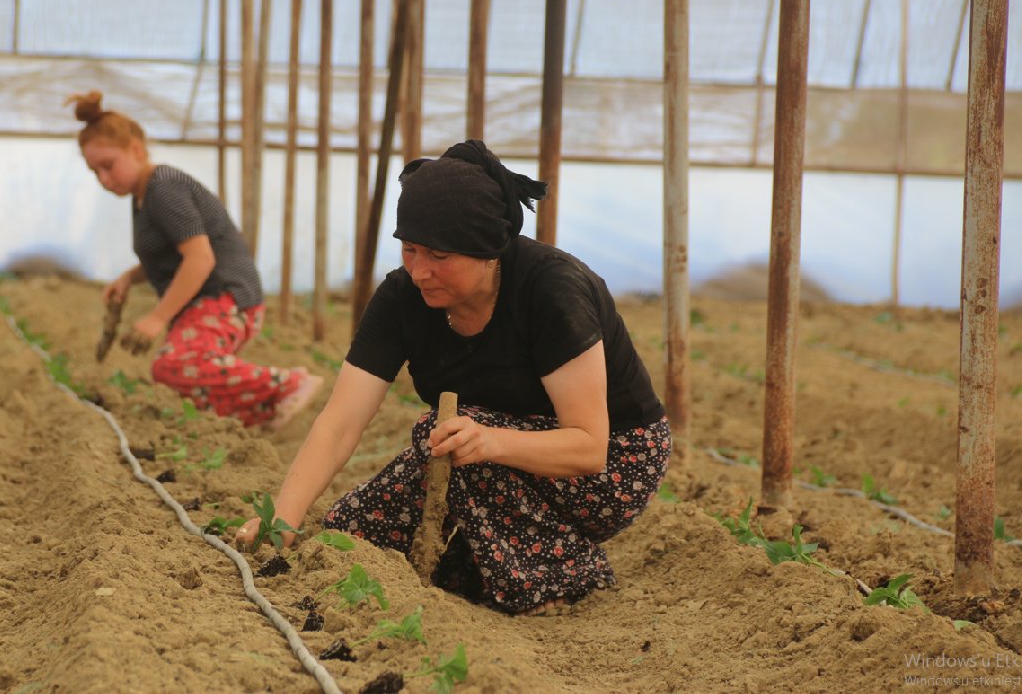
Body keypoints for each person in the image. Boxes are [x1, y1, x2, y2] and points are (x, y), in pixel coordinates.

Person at [235, 140, 671, 615]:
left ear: (488, 250)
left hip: (615, 465)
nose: (420, 271)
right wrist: (284, 518)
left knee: (444, 435)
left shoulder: (552, 291)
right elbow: (341, 421)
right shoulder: (402, 297)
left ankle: (563, 574)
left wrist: (490, 442)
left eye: (440, 256)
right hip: (485, 448)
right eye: (410, 249)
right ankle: (488, 565)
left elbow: (589, 447)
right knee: (352, 536)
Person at [71, 90, 322, 430]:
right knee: (179, 376)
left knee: (173, 365)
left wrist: (157, 318)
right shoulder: (143, 196)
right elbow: (171, 255)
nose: (103, 179)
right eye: (94, 171)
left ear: (136, 150)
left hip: (225, 296)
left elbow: (200, 259)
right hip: (209, 300)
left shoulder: (163, 188)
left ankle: (288, 383)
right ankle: (260, 416)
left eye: (108, 166)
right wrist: (129, 278)